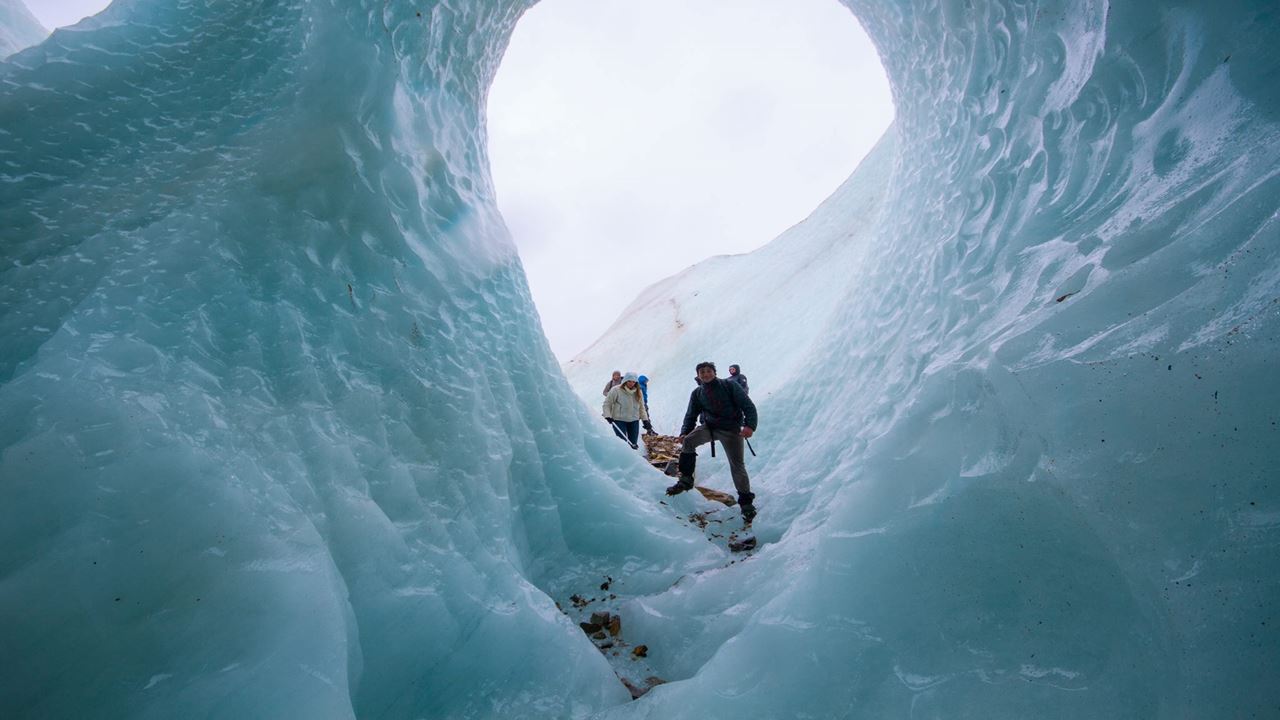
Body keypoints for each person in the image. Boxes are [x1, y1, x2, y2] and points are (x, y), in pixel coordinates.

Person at [667, 361, 759, 522]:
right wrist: (684, 432)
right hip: (710, 427)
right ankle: (686, 479)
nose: (705, 374)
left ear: (715, 373)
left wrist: (750, 426)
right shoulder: (697, 393)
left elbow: (747, 405)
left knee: (737, 465)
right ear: (698, 375)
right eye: (702, 372)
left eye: (708, 371)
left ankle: (746, 503)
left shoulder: (729, 386)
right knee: (688, 442)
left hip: (732, 429)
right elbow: (691, 415)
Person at [603, 372, 649, 449]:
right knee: (622, 443)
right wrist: (608, 416)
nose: (631, 383)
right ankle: (622, 458)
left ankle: (632, 459)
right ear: (625, 381)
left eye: (634, 382)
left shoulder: (638, 391)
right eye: (629, 381)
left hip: (634, 420)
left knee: (633, 443)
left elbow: (641, 407)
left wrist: (645, 420)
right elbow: (607, 404)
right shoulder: (616, 390)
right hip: (619, 420)